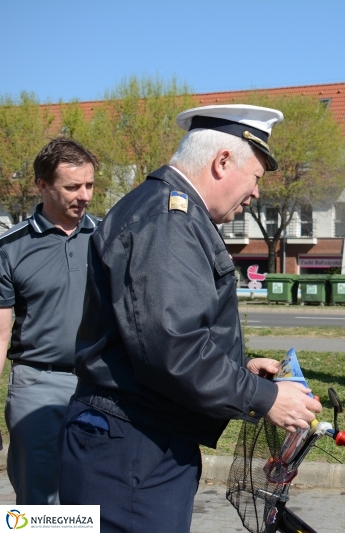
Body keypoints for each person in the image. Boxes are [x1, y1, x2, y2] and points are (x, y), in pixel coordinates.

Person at [59, 104, 322, 533]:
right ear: (221, 162)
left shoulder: (169, 212)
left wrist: (240, 369)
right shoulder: (168, 220)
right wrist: (265, 397)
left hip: (136, 435)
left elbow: (155, 336)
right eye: (255, 176)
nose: (255, 193)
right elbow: (172, 348)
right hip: (133, 443)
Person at [0, 138, 99, 504]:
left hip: (100, 385)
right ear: (43, 185)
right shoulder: (10, 248)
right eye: (72, 186)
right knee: (40, 502)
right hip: (36, 384)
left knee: (90, 496)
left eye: (89, 185)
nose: (84, 195)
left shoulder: (110, 238)